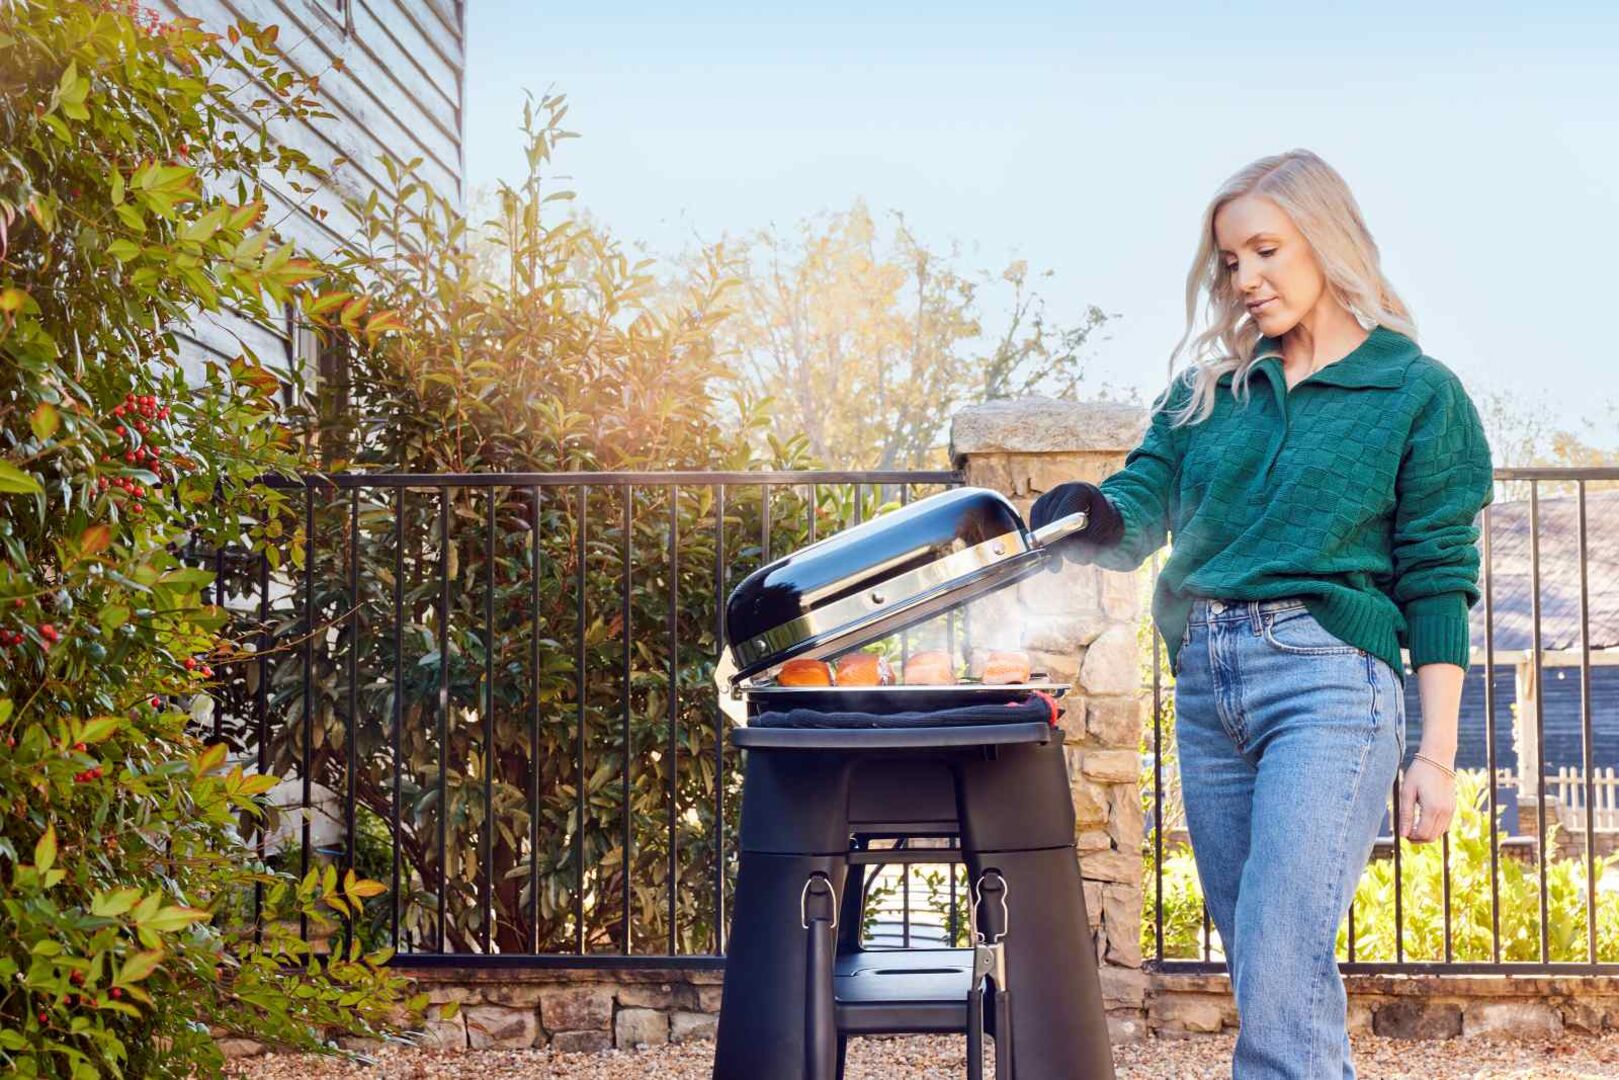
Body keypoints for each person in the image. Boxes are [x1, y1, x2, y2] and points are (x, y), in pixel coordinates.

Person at [1030, 149, 1493, 1079]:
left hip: (1329, 680)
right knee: (1263, 961)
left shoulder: (1416, 393)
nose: (1244, 278)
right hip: (1208, 688)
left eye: (1265, 250)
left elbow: (1437, 581)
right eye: (1230, 261)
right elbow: (1135, 512)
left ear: (1326, 241)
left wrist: (1434, 757)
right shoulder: (1207, 395)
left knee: (1280, 950)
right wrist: (1085, 513)